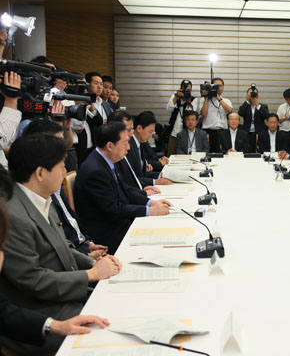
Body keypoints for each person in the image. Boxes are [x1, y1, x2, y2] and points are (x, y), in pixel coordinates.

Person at [0, 134, 121, 353]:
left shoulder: (40, 197)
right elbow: (31, 280)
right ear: (40, 173)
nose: (65, 172)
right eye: (61, 166)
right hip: (39, 311)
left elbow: (61, 245)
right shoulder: (13, 215)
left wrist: (95, 264)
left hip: (62, 294)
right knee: (113, 330)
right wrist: (90, 275)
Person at [75, 122, 172, 253]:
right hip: (108, 233)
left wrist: (151, 203)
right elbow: (113, 208)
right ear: (110, 145)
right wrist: (149, 211)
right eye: (125, 143)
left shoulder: (106, 160)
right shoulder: (95, 170)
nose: (128, 148)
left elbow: (125, 189)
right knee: (163, 240)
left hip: (119, 222)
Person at [21, 119, 109, 259]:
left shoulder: (52, 185)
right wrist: (87, 259)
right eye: (57, 143)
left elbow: (70, 223)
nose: (65, 170)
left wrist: (87, 244)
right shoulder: (33, 198)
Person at [108, 111, 161, 197]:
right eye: (128, 130)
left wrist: (142, 190)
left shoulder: (132, 145)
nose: (131, 134)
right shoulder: (111, 157)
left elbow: (129, 181)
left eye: (131, 130)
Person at [127, 112, 173, 186]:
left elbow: (143, 174)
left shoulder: (139, 143)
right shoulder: (129, 147)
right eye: (150, 132)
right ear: (139, 128)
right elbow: (131, 179)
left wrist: (160, 176)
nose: (151, 136)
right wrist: (155, 182)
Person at [166, 80, 201, 156]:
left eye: (188, 90)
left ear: (191, 90)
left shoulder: (194, 100)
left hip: (187, 133)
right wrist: (177, 96)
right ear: (180, 89)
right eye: (185, 89)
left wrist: (188, 101)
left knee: (185, 155)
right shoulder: (175, 96)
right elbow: (169, 109)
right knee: (171, 155)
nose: (186, 91)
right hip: (175, 132)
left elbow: (192, 115)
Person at [201, 77, 233, 153]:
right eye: (216, 85)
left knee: (222, 155)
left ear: (223, 87)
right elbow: (204, 114)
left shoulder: (226, 100)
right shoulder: (204, 100)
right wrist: (206, 97)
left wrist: (219, 98)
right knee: (208, 154)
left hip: (222, 132)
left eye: (220, 86)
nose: (218, 88)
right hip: (208, 132)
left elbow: (229, 110)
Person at [238, 85, 269, 153]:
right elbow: (240, 113)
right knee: (248, 151)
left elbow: (267, 116)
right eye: (250, 93)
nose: (252, 95)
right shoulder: (245, 106)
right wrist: (247, 101)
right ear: (247, 95)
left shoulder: (263, 106)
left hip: (259, 132)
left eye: (254, 93)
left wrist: (257, 105)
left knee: (259, 151)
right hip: (247, 132)